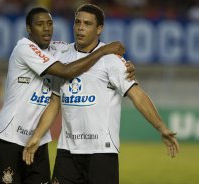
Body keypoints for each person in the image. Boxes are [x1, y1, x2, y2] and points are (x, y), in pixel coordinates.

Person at [23, 4, 179, 184]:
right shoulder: (63, 57)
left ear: (99, 29)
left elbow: (137, 95)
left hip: (101, 152)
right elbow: (55, 102)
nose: (81, 28)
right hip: (67, 152)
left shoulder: (112, 60)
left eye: (87, 24)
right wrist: (36, 137)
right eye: (77, 22)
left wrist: (161, 128)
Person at [0, 7, 135, 184]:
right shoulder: (24, 49)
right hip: (11, 136)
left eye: (49, 23)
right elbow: (66, 71)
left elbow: (81, 51)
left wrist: (123, 64)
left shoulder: (58, 49)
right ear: (29, 28)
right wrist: (103, 51)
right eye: (40, 24)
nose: (46, 28)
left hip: (38, 139)